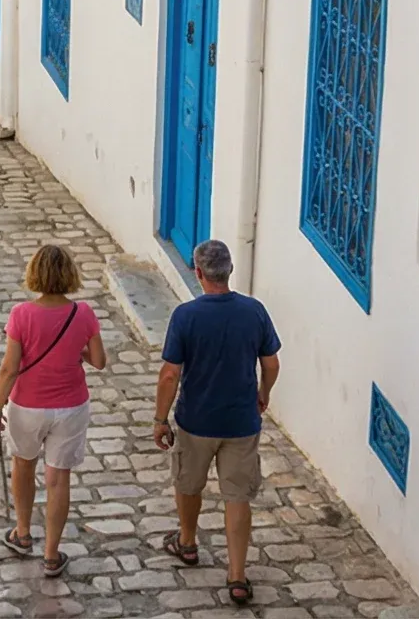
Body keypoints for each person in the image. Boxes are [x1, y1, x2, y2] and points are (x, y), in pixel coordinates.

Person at [152, 239, 281, 607]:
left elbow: (169, 375)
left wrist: (161, 419)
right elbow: (271, 363)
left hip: (196, 420)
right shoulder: (254, 311)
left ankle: (188, 542)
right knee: (237, 496)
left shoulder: (186, 316)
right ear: (229, 271)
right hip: (241, 421)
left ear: (198, 273)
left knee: (188, 483)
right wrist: (263, 393)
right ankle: (237, 577)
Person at [0, 244, 107, 578]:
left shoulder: (21, 315)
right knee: (58, 479)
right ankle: (52, 555)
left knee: (23, 467)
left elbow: (9, 369)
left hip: (27, 406)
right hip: (70, 407)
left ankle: (23, 533)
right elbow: (99, 361)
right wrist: (77, 351)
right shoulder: (83, 313)